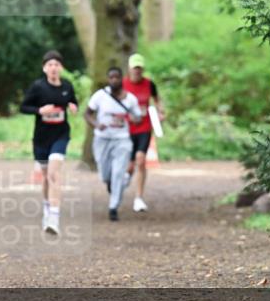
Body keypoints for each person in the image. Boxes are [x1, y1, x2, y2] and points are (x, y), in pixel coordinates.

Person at [20, 50, 79, 235]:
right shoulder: (38, 87)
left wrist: (73, 106)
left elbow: (73, 101)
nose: (53, 68)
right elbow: (23, 107)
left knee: (54, 173)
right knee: (46, 176)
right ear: (44, 68)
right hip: (41, 138)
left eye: (56, 65)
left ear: (61, 68)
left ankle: (54, 217)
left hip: (61, 135)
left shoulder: (67, 86)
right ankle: (47, 207)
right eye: (50, 65)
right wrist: (40, 110)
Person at [85, 66, 143, 222]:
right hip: (102, 139)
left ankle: (113, 207)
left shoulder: (130, 99)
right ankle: (122, 179)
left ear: (121, 79)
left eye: (117, 77)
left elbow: (138, 117)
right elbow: (87, 114)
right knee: (105, 175)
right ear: (107, 79)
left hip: (122, 139)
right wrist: (96, 125)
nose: (114, 80)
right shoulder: (100, 96)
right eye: (111, 77)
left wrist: (134, 119)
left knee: (117, 172)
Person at [123, 53, 165, 212]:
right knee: (129, 165)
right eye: (135, 68)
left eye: (139, 68)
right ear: (129, 68)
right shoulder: (122, 84)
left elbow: (157, 99)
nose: (137, 71)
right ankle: (127, 175)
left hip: (144, 128)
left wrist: (160, 112)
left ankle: (138, 198)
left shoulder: (149, 84)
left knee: (141, 160)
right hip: (127, 128)